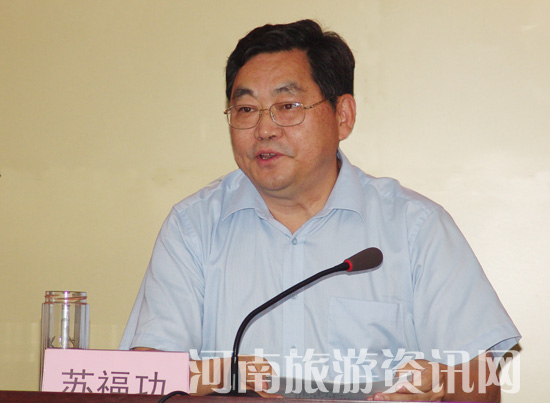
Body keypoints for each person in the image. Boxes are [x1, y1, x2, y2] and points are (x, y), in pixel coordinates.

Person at [120, 19, 520, 401]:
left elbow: (483, 386)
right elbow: (142, 382)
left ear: (342, 116)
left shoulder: (415, 228)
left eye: (287, 105)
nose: (264, 129)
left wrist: (444, 381)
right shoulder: (193, 228)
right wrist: (222, 375)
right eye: (246, 109)